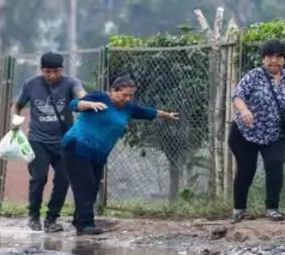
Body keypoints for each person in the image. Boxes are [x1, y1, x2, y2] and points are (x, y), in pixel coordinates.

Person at [62, 75, 179, 236]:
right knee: (86, 184)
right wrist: (90, 104)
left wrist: (167, 115)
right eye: (124, 95)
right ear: (113, 91)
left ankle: (79, 220)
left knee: (93, 186)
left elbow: (147, 112)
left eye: (130, 95)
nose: (127, 98)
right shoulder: (100, 97)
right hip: (76, 146)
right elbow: (74, 104)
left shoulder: (128, 108)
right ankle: (85, 224)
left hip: (97, 154)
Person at [229, 39, 285, 222]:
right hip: (246, 132)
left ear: (284, 59)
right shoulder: (254, 76)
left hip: (274, 133)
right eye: (269, 56)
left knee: (275, 166)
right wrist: (244, 110)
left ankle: (272, 208)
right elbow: (238, 96)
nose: (274, 60)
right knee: (246, 169)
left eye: (278, 56)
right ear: (263, 58)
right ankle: (239, 209)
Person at [12, 52, 87, 232]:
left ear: (62, 69)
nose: (52, 75)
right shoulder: (31, 84)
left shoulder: (71, 83)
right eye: (47, 71)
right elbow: (17, 105)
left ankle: (52, 218)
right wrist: (14, 119)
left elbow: (81, 94)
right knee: (38, 178)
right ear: (41, 70)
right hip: (38, 140)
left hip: (64, 141)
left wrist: (87, 100)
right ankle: (33, 215)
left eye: (55, 71)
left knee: (63, 181)